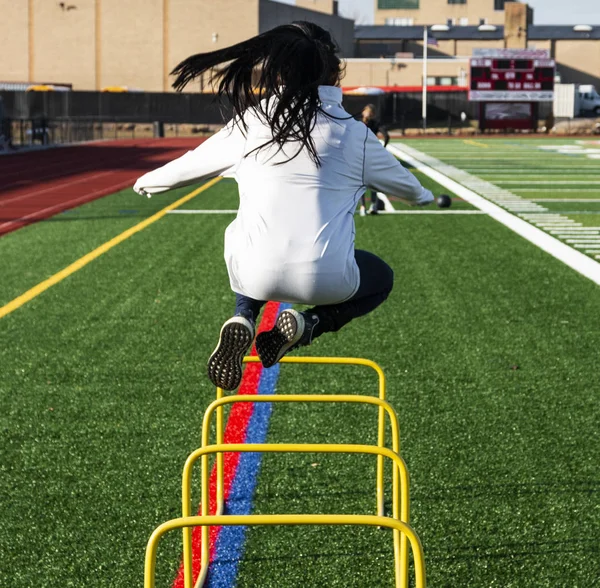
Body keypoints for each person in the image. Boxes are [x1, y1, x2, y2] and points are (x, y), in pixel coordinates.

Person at [133, 22, 433, 390]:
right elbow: (413, 191)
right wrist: (424, 197)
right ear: (334, 72)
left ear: (276, 72)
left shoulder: (250, 124)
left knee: (250, 239)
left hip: (254, 274)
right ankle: (311, 325)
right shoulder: (355, 134)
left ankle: (243, 315)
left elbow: (184, 167)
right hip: (330, 281)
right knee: (381, 277)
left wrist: (146, 182)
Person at [359, 104, 390, 216]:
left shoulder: (358, 124)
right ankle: (371, 205)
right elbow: (386, 136)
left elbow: (386, 136)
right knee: (370, 182)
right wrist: (383, 148)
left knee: (363, 182)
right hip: (370, 155)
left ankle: (365, 207)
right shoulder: (373, 124)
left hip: (361, 155)